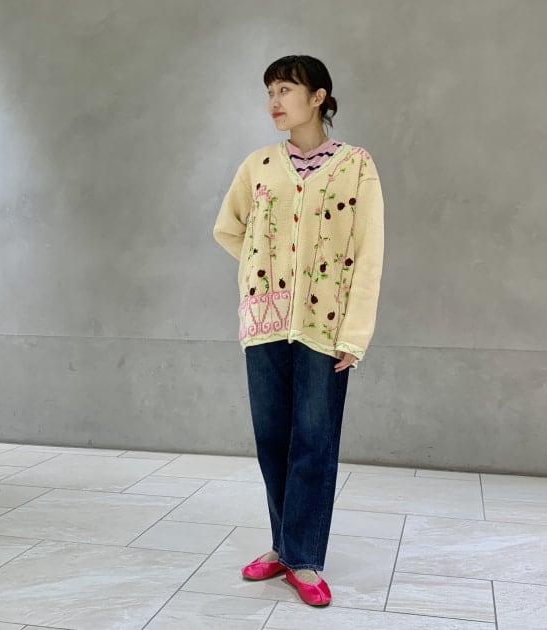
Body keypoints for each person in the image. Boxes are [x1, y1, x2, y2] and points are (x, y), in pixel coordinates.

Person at [213, 54, 384, 607]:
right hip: (263, 323)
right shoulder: (259, 165)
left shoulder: (355, 165)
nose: (274, 101)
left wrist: (354, 334)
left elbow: (369, 253)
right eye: (270, 91)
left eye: (286, 89)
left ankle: (303, 558)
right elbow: (228, 229)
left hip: (325, 326)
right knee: (272, 440)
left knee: (313, 441)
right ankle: (285, 547)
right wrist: (263, 277)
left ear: (318, 97)